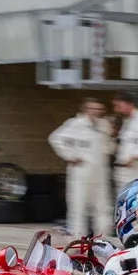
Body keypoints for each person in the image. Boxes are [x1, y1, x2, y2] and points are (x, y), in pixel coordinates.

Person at [50, 98, 115, 241]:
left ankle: (102, 241)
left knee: (103, 209)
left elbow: (109, 147)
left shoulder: (104, 125)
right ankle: (76, 242)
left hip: (100, 173)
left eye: (99, 110)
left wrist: (111, 138)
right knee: (78, 208)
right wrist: (71, 156)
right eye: (93, 109)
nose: (96, 112)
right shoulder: (75, 124)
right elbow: (55, 138)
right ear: (86, 110)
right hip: (81, 173)